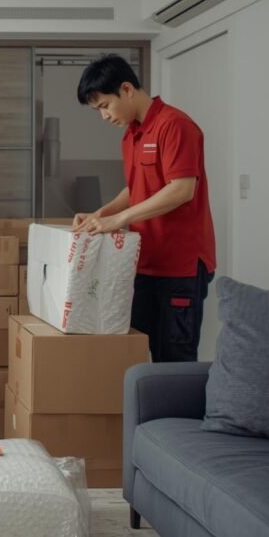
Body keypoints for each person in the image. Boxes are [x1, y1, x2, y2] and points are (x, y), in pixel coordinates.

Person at [73, 54, 216, 363]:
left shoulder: (175, 125)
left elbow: (181, 190)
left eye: (105, 106)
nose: (104, 117)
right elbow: (137, 189)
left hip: (180, 266)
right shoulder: (132, 136)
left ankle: (181, 414)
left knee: (174, 359)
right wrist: (102, 214)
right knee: (138, 353)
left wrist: (121, 220)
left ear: (126, 89)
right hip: (146, 262)